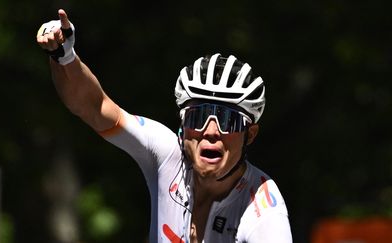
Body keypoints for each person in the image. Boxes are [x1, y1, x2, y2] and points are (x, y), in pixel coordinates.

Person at [36, 9, 293, 243]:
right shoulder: (167, 155)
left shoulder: (264, 209)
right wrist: (64, 57)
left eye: (228, 121)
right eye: (198, 117)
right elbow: (94, 106)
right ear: (182, 125)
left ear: (250, 135)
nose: (211, 131)